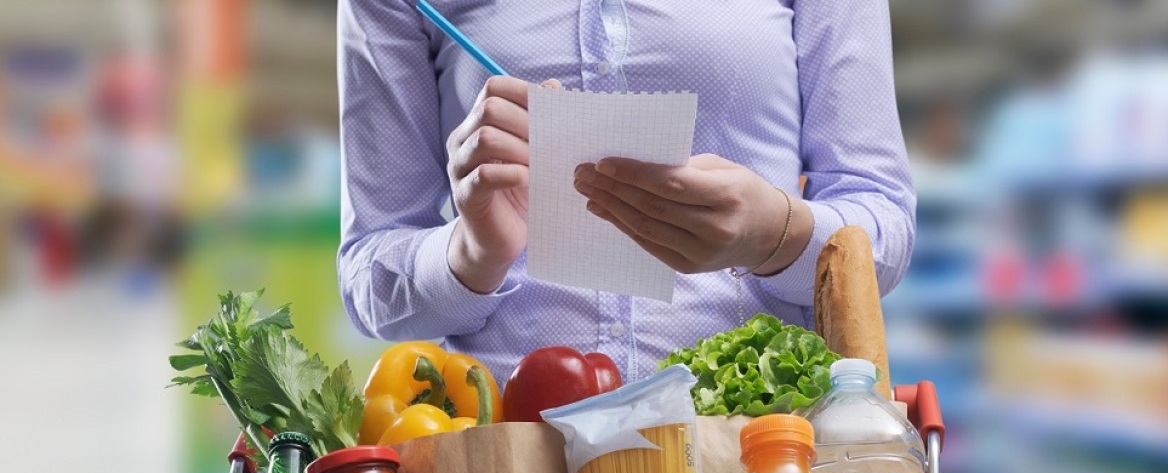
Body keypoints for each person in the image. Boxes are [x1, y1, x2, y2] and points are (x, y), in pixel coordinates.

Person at [336, 0, 915, 387]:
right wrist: (470, 255)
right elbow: (368, 273)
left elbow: (881, 220)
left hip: (750, 442)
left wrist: (773, 234)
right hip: (508, 462)